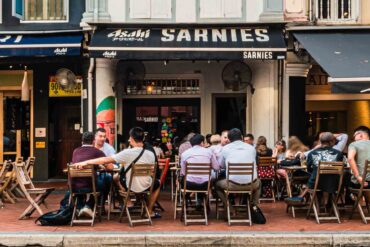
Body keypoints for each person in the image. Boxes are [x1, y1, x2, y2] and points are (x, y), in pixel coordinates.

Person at [73, 127, 161, 218]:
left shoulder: (127, 153)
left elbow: (105, 160)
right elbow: (152, 172)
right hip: (147, 186)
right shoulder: (150, 153)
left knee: (115, 178)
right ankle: (149, 211)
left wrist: (85, 162)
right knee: (158, 183)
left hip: (129, 187)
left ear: (131, 138)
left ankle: (128, 201)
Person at [286, 132, 343, 203]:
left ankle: (306, 198)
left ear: (320, 142)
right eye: (334, 141)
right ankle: (328, 204)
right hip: (333, 183)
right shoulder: (339, 153)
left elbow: (308, 168)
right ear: (331, 141)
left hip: (315, 183)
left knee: (312, 176)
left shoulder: (312, 153)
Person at [67, 132, 113, 218]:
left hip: (74, 187)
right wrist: (100, 165)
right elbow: (110, 167)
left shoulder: (75, 151)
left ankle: (80, 207)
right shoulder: (97, 152)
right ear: (93, 141)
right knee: (107, 181)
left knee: (86, 182)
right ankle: (90, 205)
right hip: (90, 186)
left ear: (82, 141)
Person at [215, 128, 261, 212]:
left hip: (232, 185)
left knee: (217, 185)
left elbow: (221, 165)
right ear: (242, 137)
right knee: (259, 183)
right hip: (251, 184)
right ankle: (253, 206)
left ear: (229, 139)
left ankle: (230, 208)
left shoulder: (225, 149)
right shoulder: (251, 148)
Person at [180, 134, 220, 207]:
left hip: (189, 184)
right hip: (205, 184)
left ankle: (187, 200)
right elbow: (216, 168)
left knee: (182, 180)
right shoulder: (209, 152)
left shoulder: (185, 153)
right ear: (202, 143)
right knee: (204, 180)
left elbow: (183, 172)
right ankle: (201, 201)